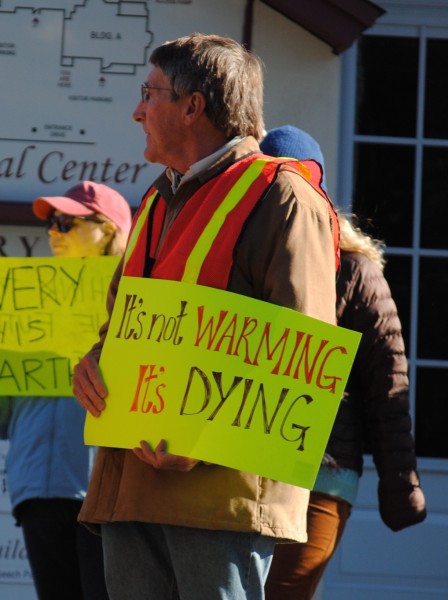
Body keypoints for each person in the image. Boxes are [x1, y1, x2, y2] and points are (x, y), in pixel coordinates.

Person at [72, 34, 340, 600]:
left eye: (151, 93)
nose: (137, 110)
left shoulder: (284, 197)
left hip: (219, 498)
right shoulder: (154, 199)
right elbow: (120, 328)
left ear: (193, 106)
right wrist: (94, 364)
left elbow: (303, 361)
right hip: (128, 488)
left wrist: (206, 438)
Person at [260, 125, 427, 600]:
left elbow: (387, 384)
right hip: (243, 471)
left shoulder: (354, 271)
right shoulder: (244, 258)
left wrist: (401, 489)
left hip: (321, 475)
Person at [0, 181, 132, 600]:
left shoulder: (137, 302)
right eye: (51, 225)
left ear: (108, 229)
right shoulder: (25, 302)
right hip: (36, 487)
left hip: (103, 490)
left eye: (66, 222)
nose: (54, 231)